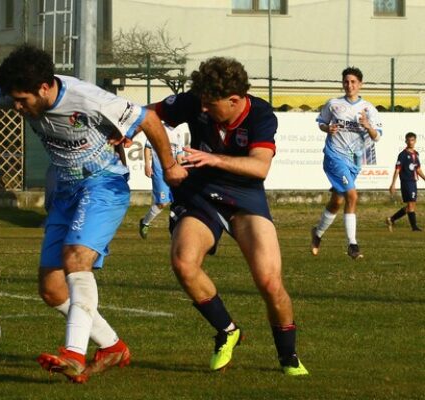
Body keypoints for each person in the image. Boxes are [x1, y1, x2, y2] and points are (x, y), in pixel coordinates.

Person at [0, 44, 187, 383]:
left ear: (44, 86)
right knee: (53, 291)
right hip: (65, 190)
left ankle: (73, 354)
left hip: (103, 185)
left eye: (23, 101)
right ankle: (112, 347)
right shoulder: (16, 93)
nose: (18, 108)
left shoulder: (88, 98)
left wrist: (169, 166)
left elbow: (149, 119)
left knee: (76, 259)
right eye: (14, 101)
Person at [147, 57, 308, 375]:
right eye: (202, 103)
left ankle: (288, 357)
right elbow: (147, 115)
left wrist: (212, 158)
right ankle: (227, 330)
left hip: (245, 197)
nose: (203, 110)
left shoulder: (260, 115)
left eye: (210, 104)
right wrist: (124, 132)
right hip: (201, 196)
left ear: (234, 100)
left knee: (269, 281)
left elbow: (259, 167)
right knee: (183, 262)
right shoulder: (195, 101)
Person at [310, 67, 383, 260]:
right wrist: (328, 128)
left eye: (353, 82)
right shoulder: (333, 104)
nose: (349, 85)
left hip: (355, 160)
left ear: (360, 84)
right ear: (342, 83)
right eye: (346, 82)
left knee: (338, 201)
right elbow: (321, 122)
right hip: (334, 156)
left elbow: (377, 137)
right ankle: (352, 244)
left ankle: (317, 233)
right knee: (352, 195)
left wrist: (369, 127)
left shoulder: (369, 109)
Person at [139, 123, 184, 239]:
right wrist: (147, 165)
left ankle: (174, 229)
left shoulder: (178, 132)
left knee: (178, 202)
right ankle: (145, 222)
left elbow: (179, 154)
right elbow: (148, 147)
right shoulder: (158, 128)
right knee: (162, 203)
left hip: (174, 171)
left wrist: (182, 171)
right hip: (159, 171)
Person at [386, 132, 425, 232]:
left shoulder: (415, 154)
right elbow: (397, 169)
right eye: (408, 140)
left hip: (413, 181)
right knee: (411, 205)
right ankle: (414, 227)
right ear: (406, 141)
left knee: (411, 205)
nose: (410, 142)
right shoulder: (403, 155)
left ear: (415, 141)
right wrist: (393, 184)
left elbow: (418, 169)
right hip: (406, 182)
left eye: (412, 140)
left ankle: (392, 219)